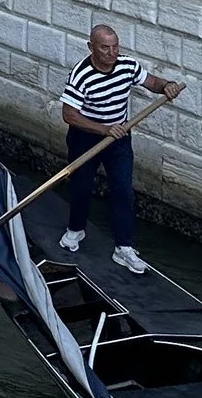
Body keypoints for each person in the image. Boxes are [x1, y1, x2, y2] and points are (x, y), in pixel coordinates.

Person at [59, 22, 182, 275]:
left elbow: (152, 82)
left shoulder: (127, 65)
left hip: (119, 139)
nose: (112, 53)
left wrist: (166, 85)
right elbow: (69, 115)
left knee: (123, 190)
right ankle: (76, 230)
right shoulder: (81, 75)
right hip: (85, 138)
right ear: (91, 47)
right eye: (105, 48)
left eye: (115, 47)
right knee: (82, 187)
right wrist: (104, 129)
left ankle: (124, 248)